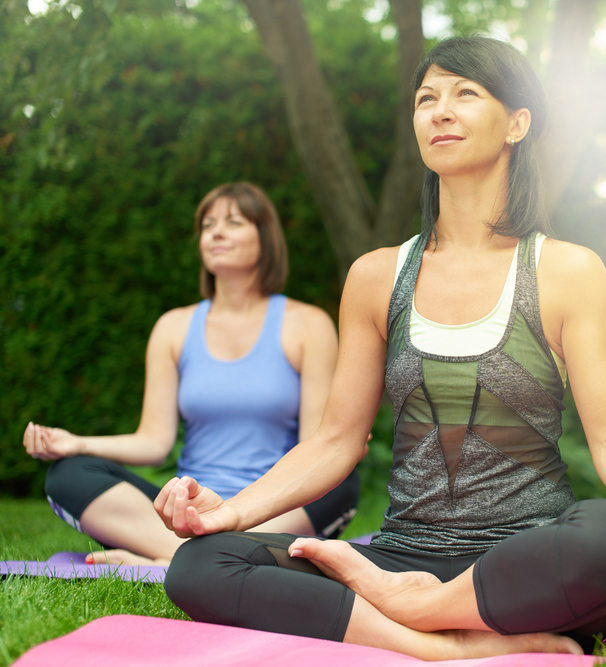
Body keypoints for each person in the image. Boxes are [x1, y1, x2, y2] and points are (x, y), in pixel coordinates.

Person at [155, 38, 606, 660]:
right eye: (426, 98)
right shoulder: (376, 276)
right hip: (399, 551)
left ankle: (423, 610)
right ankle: (451, 646)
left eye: (466, 93)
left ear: (517, 123)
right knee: (201, 564)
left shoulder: (567, 271)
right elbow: (336, 440)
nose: (440, 111)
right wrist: (232, 514)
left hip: (526, 556)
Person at [22, 182, 361, 566]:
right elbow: (154, 442)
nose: (215, 232)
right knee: (68, 475)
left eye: (233, 222)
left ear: (265, 239)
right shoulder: (173, 327)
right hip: (186, 509)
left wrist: (250, 507)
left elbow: (315, 448)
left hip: (272, 510)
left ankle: (175, 557)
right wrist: (77, 444)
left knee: (340, 478)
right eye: (207, 225)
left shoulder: (308, 326)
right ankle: (203, 554)